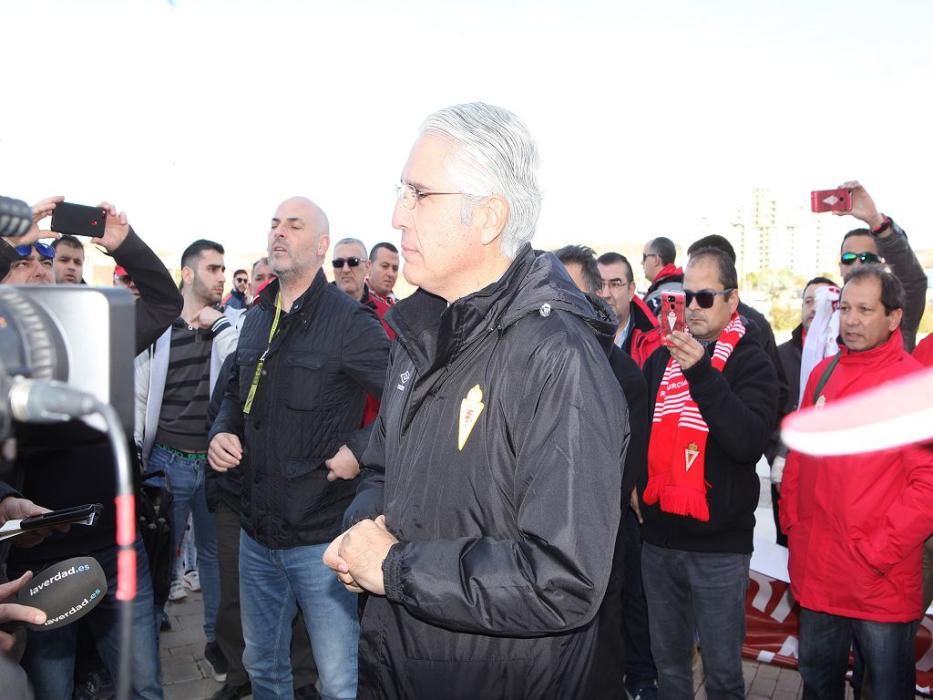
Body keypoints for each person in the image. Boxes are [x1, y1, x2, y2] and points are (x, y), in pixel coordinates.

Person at [325, 102, 628, 699]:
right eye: (401, 192)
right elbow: (383, 472)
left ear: (489, 216)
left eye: (418, 194)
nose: (397, 215)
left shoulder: (557, 359)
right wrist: (361, 534)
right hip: (400, 665)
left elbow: (562, 580)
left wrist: (394, 569)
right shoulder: (419, 339)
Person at [208, 196, 390, 700]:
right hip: (255, 533)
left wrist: (360, 447)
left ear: (321, 244)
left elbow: (411, 399)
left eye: (294, 225)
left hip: (320, 540)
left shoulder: (350, 324)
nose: (279, 233)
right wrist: (222, 431)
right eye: (274, 224)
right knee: (263, 666)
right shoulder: (256, 315)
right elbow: (231, 392)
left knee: (338, 682)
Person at [8, 200, 182, 700]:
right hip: (40, 562)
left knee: (143, 685)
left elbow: (164, 303)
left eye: (46, 261)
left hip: (117, 547)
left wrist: (123, 242)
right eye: (24, 262)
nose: (40, 271)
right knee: (51, 688)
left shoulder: (94, 334)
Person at [780, 265, 933, 699]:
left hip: (878, 580)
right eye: (845, 308)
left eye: (865, 310)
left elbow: (927, 485)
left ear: (893, 318)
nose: (851, 320)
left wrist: (876, 552)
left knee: (885, 688)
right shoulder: (822, 374)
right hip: (819, 573)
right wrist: (793, 522)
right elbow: (799, 455)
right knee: (819, 685)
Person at [637, 247, 778, 699]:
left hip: (719, 551)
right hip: (659, 543)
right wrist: (634, 488)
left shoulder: (751, 359)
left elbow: (746, 441)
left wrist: (700, 371)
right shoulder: (661, 358)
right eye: (684, 298)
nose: (691, 307)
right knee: (670, 672)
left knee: (722, 677)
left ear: (732, 300)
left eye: (705, 297)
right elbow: (640, 433)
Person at [554, 244, 655, 699]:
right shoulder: (532, 361)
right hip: (529, 551)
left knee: (597, 664)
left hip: (596, 550)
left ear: (595, 299)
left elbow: (615, 478)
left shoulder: (623, 377)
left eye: (569, 292)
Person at [135, 239, 237, 682]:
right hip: (167, 462)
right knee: (160, 560)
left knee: (214, 559)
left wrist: (218, 327)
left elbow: (242, 366)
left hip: (213, 465)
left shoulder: (229, 325)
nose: (221, 277)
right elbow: (139, 396)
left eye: (223, 268)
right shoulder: (157, 329)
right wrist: (140, 458)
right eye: (213, 269)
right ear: (188, 274)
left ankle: (216, 644)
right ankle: (147, 653)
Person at [765, 276, 837, 545]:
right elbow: (769, 410)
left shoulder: (842, 356)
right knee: (786, 545)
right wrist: (777, 456)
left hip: (827, 475)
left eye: (822, 303)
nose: (814, 309)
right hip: (784, 470)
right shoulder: (781, 354)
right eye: (809, 301)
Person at [835, 180, 927, 351]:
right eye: (849, 257)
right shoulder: (822, 315)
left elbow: (913, 282)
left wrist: (876, 222)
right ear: (840, 265)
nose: (857, 264)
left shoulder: (897, 311)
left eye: (867, 258)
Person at [596, 251, 663, 367]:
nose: (606, 294)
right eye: (600, 284)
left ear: (631, 290)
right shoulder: (577, 333)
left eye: (615, 284)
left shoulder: (655, 342)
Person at [641, 236, 682, 317]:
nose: (642, 262)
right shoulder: (679, 284)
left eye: (644, 257)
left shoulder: (668, 295)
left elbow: (671, 329)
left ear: (656, 260)